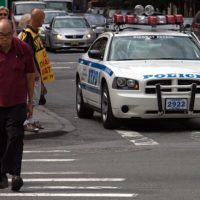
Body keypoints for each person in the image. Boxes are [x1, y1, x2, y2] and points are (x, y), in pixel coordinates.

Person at [0, 19, 35, 191]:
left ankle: (15, 174)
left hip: (17, 103)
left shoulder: (23, 49)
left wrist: (30, 102)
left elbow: (30, 76)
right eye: (1, 35)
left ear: (13, 33)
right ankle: (2, 174)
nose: (5, 39)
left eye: (8, 35)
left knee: (15, 137)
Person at [19, 8, 54, 131]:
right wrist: (35, 72)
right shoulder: (28, 34)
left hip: (36, 73)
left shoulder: (34, 33)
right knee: (31, 98)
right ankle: (27, 121)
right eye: (42, 19)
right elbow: (28, 55)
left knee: (34, 97)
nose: (43, 22)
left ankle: (31, 119)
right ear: (37, 19)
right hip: (32, 74)